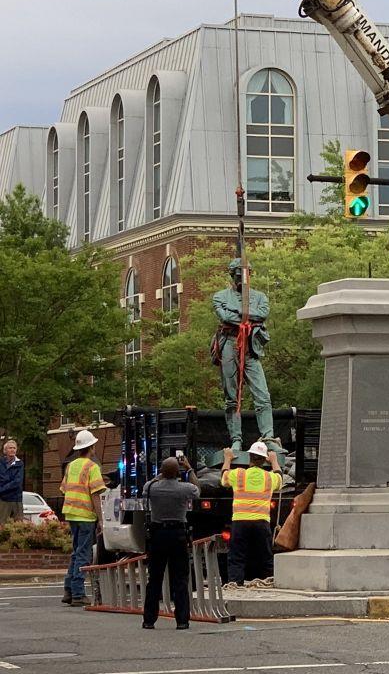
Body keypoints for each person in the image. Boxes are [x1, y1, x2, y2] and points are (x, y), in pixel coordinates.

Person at [212, 258, 275, 453]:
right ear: (232, 275)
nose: (242, 280)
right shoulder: (220, 296)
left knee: (262, 395)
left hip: (251, 347)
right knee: (232, 397)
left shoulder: (260, 297)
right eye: (239, 276)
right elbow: (225, 317)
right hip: (229, 345)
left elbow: (261, 315)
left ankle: (269, 437)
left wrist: (240, 312)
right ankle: (236, 439)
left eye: (246, 276)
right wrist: (246, 314)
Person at [141, 455, 200, 630]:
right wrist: (188, 468)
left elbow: (148, 486)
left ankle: (149, 620)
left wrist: (161, 474)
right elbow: (198, 490)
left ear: (161, 471)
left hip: (158, 535)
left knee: (155, 579)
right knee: (180, 579)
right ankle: (182, 620)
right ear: (178, 472)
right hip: (178, 535)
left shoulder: (151, 487)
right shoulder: (184, 489)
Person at [220, 441, 282, 586]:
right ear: (264, 459)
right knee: (265, 557)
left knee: (237, 556)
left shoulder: (239, 474)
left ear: (250, 457)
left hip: (240, 522)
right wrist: (274, 460)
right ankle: (269, 583)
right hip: (262, 522)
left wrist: (227, 458)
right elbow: (280, 478)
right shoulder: (269, 477)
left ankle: (235, 584)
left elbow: (223, 479)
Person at [60, 430, 107, 607]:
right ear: (91, 448)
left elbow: (65, 489)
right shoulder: (92, 467)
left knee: (76, 552)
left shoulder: (71, 466)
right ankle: (78, 593)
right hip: (86, 515)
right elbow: (95, 495)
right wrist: (101, 519)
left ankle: (69, 589)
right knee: (83, 554)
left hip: (71, 512)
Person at [0, 440, 25, 524]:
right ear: (5, 450)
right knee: (2, 525)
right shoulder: (1, 463)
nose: (13, 450)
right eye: (10, 448)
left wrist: (2, 489)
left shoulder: (20, 464)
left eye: (14, 448)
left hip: (16, 499)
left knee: (18, 526)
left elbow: (17, 482)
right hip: (3, 499)